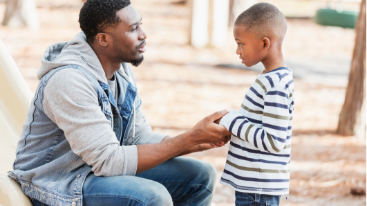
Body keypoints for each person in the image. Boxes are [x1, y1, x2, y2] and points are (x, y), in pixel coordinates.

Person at [8, 0, 231, 205]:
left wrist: (193, 140)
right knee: (152, 197)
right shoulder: (68, 80)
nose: (143, 35)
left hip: (93, 171)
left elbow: (137, 137)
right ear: (103, 39)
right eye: (133, 29)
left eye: (140, 25)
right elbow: (108, 161)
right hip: (56, 184)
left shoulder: (119, 68)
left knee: (200, 176)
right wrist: (184, 142)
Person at [218, 3, 294, 206]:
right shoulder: (271, 78)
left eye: (240, 43)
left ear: (264, 43)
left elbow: (274, 141)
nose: (237, 50)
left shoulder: (275, 83)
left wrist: (232, 121)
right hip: (255, 188)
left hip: (258, 191)